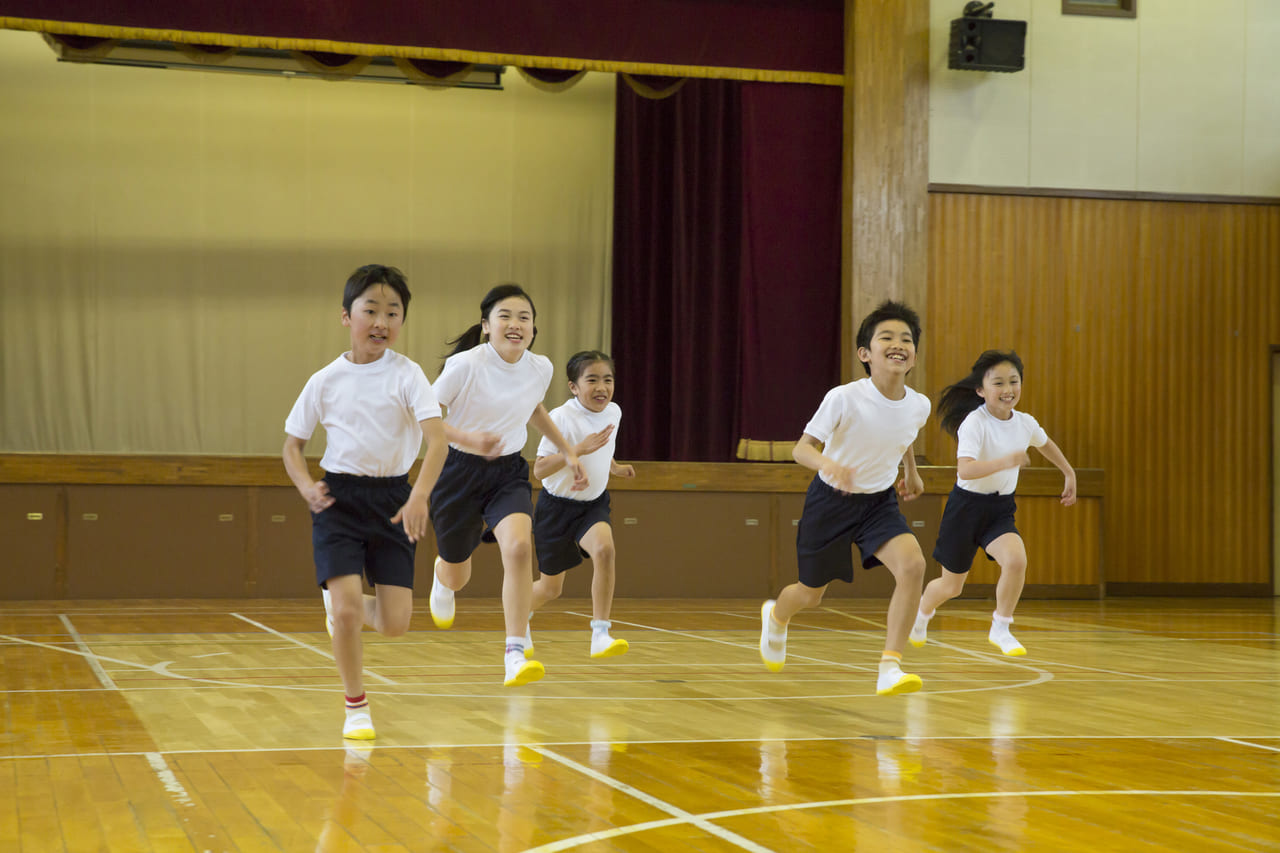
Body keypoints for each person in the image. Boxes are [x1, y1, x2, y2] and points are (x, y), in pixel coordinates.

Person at [283, 264, 447, 740]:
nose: (381, 321)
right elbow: (292, 446)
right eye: (370, 310)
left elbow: (436, 442)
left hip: (396, 500)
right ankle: (356, 705)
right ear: (346, 317)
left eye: (392, 312)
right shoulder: (325, 380)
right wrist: (305, 486)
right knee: (351, 610)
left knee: (395, 625)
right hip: (339, 500)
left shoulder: (408, 374)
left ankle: (342, 605)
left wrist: (419, 496)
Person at [759, 300, 930, 696]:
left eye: (906, 338)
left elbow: (902, 435)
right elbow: (801, 449)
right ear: (865, 354)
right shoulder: (844, 397)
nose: (898, 343)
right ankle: (777, 617)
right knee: (810, 595)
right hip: (830, 501)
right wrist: (827, 464)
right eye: (886, 337)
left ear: (914, 354)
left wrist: (911, 470)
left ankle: (890, 666)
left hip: (878, 503)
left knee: (913, 566)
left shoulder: (919, 405)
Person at [426, 283, 587, 688]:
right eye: (505, 316)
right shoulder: (465, 365)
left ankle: (514, 651)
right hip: (458, 472)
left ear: (533, 328)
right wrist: (467, 439)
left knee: (518, 547)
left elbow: (532, 407)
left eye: (524, 318)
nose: (515, 324)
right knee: (457, 575)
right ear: (486, 325)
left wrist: (568, 449)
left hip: (508, 472)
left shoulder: (541, 368)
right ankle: (441, 575)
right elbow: (424, 416)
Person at [909, 350, 1076, 655]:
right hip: (965, 509)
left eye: (1014, 381)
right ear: (981, 390)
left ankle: (1001, 626)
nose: (1008, 389)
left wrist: (1068, 472)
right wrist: (1006, 461)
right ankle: (922, 613)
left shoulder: (1025, 423)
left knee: (1015, 561)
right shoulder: (975, 422)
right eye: (998, 383)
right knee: (951, 587)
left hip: (999, 509)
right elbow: (965, 469)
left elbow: (1046, 444)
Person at [526, 350, 636, 659]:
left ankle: (600, 632)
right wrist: (578, 449)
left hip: (593, 504)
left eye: (608, 379)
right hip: (556, 508)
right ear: (574, 386)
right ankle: (519, 617)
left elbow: (604, 446)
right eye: (592, 380)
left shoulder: (614, 412)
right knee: (550, 589)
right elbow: (540, 469)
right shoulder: (560, 417)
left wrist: (613, 467)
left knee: (605, 550)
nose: (602, 387)